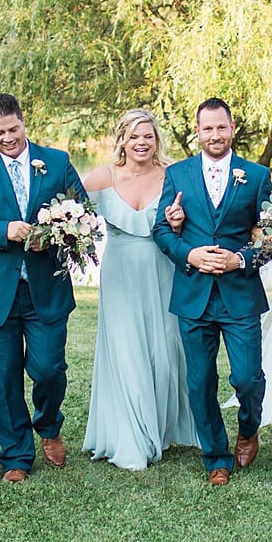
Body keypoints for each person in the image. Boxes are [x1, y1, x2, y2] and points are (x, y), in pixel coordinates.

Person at [0, 93, 85, 483]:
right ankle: (16, 456)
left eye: (13, 129)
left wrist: (50, 234)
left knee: (48, 369)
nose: (7, 138)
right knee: (4, 375)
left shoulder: (56, 161)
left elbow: (84, 213)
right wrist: (0, 229)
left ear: (24, 122)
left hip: (47, 288)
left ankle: (49, 425)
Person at [152, 97, 272, 485]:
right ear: (197, 131)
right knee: (200, 380)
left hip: (240, 294)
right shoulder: (178, 174)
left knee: (247, 378)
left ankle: (248, 428)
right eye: (207, 128)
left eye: (221, 127)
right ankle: (216, 457)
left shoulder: (256, 176)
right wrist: (190, 253)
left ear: (232, 128)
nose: (215, 135)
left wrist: (240, 260)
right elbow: (160, 230)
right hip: (194, 294)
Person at [81, 108, 198, 469]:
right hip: (119, 276)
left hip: (162, 270)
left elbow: (193, 226)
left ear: (156, 140)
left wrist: (179, 225)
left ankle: (160, 430)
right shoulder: (102, 177)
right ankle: (131, 440)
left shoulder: (173, 176)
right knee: (126, 354)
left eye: (147, 136)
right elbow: (62, 207)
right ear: (122, 140)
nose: (141, 142)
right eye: (134, 136)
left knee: (163, 358)